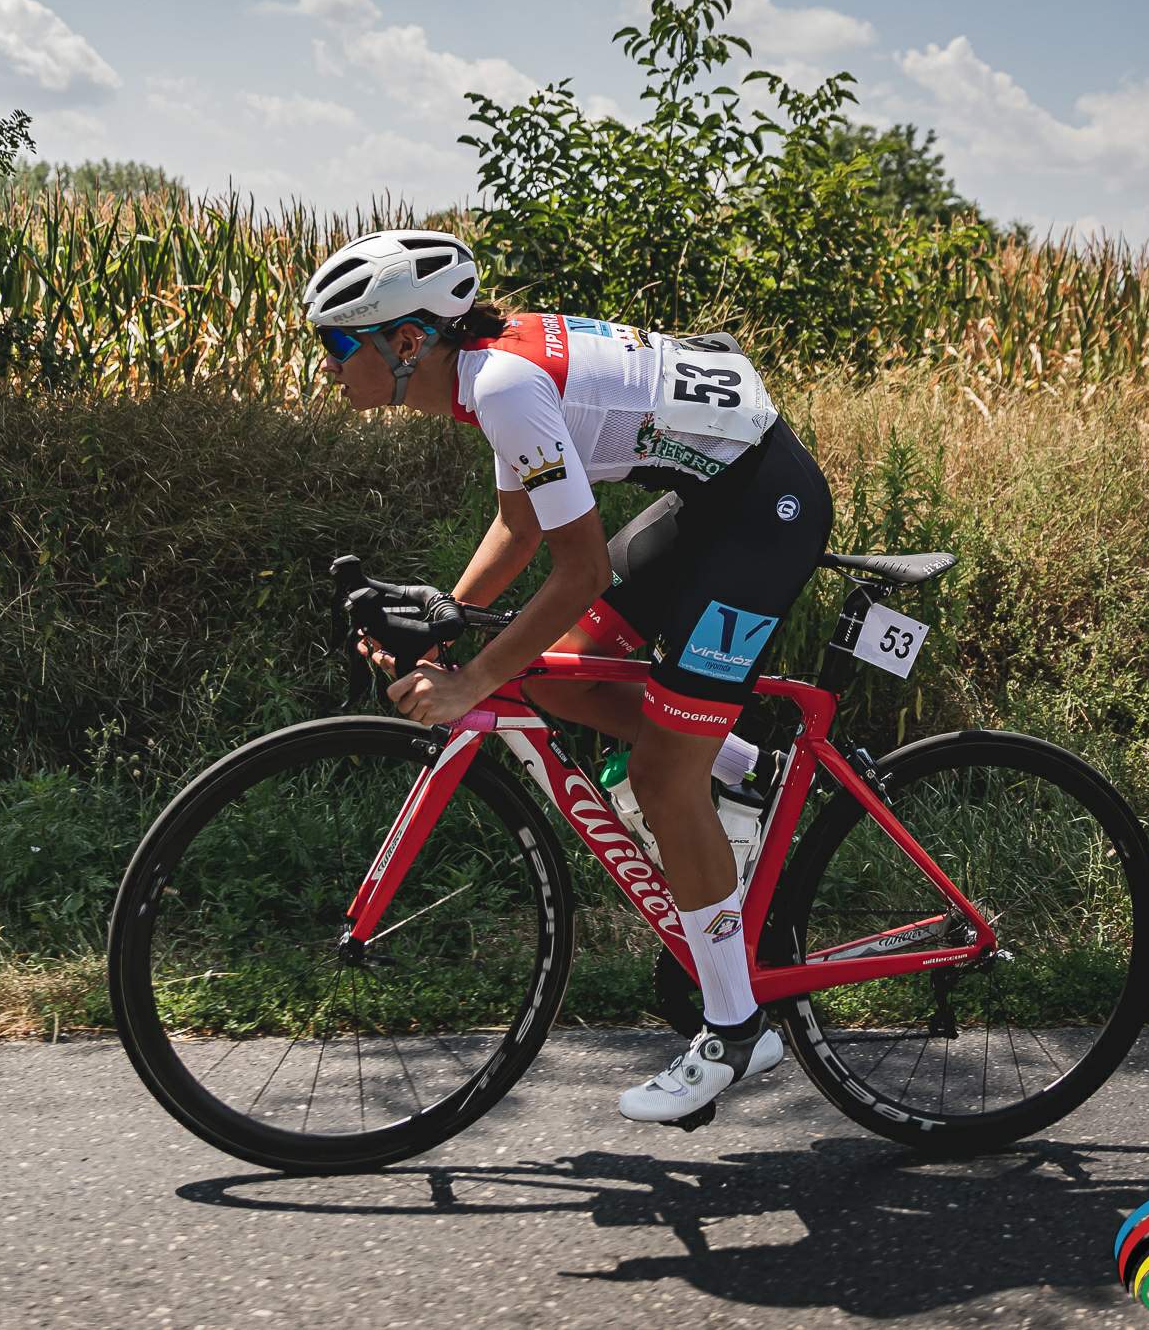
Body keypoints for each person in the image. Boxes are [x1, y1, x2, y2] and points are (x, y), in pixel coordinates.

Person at [303, 229, 833, 1123]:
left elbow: (579, 570)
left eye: (336, 343)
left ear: (407, 341)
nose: (326, 366)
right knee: (553, 673)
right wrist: (443, 635)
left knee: (663, 775)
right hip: (715, 499)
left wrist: (469, 682)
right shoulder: (486, 376)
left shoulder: (503, 387)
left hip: (763, 512)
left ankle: (736, 1029)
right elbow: (519, 530)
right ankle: (747, 772)